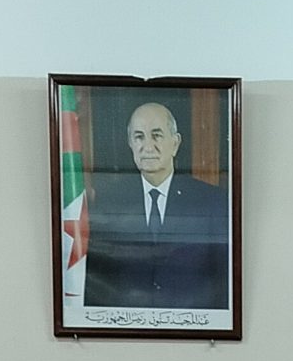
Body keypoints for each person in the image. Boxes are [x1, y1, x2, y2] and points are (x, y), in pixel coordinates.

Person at [83, 99, 230, 310]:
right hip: (128, 324)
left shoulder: (209, 201)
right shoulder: (110, 201)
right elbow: (98, 278)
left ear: (175, 143)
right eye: (139, 137)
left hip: (190, 322)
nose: (148, 146)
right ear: (130, 144)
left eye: (157, 135)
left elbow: (222, 280)